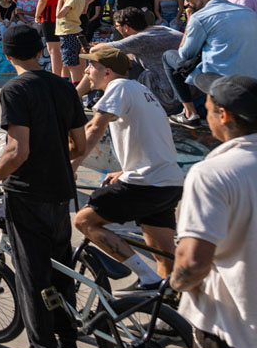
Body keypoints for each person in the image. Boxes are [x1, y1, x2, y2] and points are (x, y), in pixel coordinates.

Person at [0, 25, 87, 348]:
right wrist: (55, 159)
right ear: (40, 51)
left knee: (33, 276)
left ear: (8, 56)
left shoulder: (15, 90)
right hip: (61, 191)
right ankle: (69, 343)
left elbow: (17, 150)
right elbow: (80, 147)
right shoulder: (64, 86)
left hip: (28, 194)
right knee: (59, 269)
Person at [170, 73, 257, 348]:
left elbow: (191, 263)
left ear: (223, 115)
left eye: (206, 108)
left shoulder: (214, 173)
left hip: (233, 332)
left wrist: (176, 285)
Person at [71, 49, 183, 287]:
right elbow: (152, 136)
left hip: (146, 182)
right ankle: (166, 304)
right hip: (168, 180)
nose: (87, 71)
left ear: (108, 72)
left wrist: (71, 165)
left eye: (91, 67)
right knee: (163, 253)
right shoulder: (140, 91)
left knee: (84, 221)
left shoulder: (118, 87)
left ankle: (148, 278)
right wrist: (125, 170)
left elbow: (94, 128)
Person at [163, 0, 257, 127]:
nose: (186, 3)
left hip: (219, 82)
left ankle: (189, 114)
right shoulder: (248, 12)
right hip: (252, 80)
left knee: (168, 56)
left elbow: (185, 54)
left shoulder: (200, 17)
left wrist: (189, 22)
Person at [52, 0, 86, 85]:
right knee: (74, 62)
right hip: (75, 31)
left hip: (68, 32)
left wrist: (60, 2)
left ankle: (76, 87)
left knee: (71, 64)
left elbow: (59, 15)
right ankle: (77, 84)